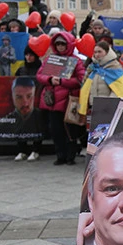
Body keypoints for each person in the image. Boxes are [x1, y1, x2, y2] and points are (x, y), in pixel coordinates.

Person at [37, 32, 86, 165]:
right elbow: (39, 75)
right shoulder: (49, 59)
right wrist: (50, 79)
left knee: (70, 131)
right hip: (53, 102)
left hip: (69, 101)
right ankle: (60, 155)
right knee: (56, 130)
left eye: (63, 43)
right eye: (57, 43)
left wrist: (63, 82)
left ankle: (70, 156)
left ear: (68, 44)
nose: (60, 46)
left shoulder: (76, 60)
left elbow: (81, 79)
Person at [79, 41, 123, 121]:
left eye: (100, 52)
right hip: (94, 109)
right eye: (95, 52)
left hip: (108, 110)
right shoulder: (94, 68)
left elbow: (119, 91)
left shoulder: (114, 67)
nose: (97, 54)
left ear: (107, 52)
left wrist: (107, 105)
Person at [14, 46, 44, 161]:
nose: (28, 57)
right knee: (21, 126)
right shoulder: (21, 69)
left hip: (36, 102)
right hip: (23, 103)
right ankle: (22, 150)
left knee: (36, 126)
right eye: (27, 55)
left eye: (31, 55)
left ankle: (35, 150)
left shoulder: (41, 69)